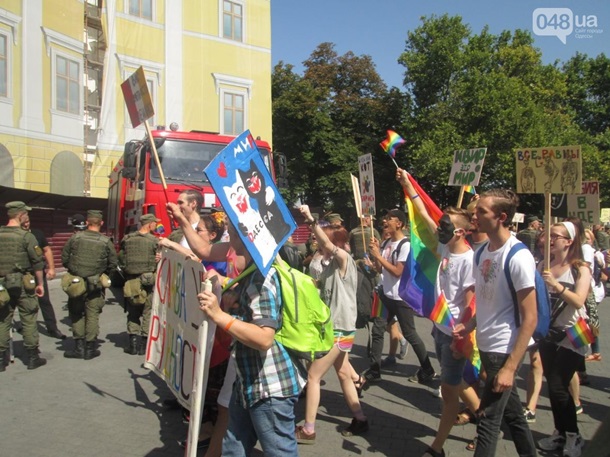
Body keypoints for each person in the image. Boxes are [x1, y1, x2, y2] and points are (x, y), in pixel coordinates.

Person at [196, 220, 306, 456]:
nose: (228, 236)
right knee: (233, 449)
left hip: (269, 387)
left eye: (232, 231)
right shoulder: (251, 274)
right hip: (247, 380)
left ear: (242, 238)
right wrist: (229, 305)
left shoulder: (261, 278)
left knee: (279, 452)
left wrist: (218, 315)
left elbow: (264, 337)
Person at [453, 189, 537, 457]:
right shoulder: (482, 252)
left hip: (505, 348)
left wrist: (511, 367)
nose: (474, 215)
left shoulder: (518, 256)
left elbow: (530, 317)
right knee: (514, 416)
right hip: (487, 346)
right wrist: (470, 325)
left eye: (481, 212)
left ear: (501, 217)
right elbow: (488, 301)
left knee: (488, 420)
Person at [397, 169, 475, 457]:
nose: (439, 226)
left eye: (446, 225)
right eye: (441, 223)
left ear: (461, 231)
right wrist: (408, 184)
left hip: (455, 334)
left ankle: (437, 447)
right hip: (440, 330)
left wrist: (459, 338)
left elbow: (470, 305)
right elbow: (424, 214)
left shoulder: (468, 260)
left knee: (449, 389)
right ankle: (484, 418)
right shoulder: (443, 247)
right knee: (457, 384)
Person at [295, 205, 368, 443]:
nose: (318, 244)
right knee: (345, 375)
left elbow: (326, 245)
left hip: (339, 329)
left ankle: (308, 429)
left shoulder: (345, 260)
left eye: (323, 239)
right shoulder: (328, 267)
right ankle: (360, 419)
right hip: (336, 329)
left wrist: (309, 220)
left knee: (313, 376)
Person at [362, 208, 436, 386]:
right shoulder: (386, 242)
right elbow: (380, 270)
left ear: (400, 223)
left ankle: (428, 369)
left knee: (410, 333)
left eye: (390, 218)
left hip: (400, 297)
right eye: (386, 217)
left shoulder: (406, 245)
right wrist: (374, 260)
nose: (386, 221)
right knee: (378, 331)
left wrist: (379, 256)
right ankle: (375, 369)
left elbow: (397, 272)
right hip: (385, 294)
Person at [537, 222, 590, 457]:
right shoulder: (542, 265)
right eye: (546, 234)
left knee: (559, 385)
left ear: (568, 241)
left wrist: (555, 285)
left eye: (554, 235)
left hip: (572, 334)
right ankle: (560, 432)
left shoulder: (580, 268)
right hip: (549, 333)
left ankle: (573, 435)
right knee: (553, 385)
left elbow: (579, 301)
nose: (548, 239)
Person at [61, 210, 118, 360]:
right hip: (96, 283)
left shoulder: (75, 238)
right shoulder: (106, 242)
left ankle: (78, 348)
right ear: (102, 223)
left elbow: (65, 259)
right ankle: (90, 348)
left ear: (87, 222)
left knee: (76, 313)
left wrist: (75, 271)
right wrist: (103, 276)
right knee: (92, 314)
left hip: (76, 283)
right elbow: (113, 264)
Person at [0, 201, 47, 371]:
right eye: (26, 214)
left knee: (2, 319)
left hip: (2, 285)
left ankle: (0, 360)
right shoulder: (27, 236)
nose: (28, 217)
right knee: (28, 318)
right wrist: (40, 284)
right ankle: (32, 358)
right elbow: (37, 262)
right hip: (22, 283)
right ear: (20, 215)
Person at [118, 214, 161, 355]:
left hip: (131, 281)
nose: (156, 226)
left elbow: (121, 260)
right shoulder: (154, 241)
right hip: (148, 281)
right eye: (155, 223)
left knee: (132, 313)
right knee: (148, 312)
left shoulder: (127, 239)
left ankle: (133, 345)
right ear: (149, 224)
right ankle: (144, 346)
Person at [20, 214, 66, 340]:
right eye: (23, 223)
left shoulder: (37, 234)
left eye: (28, 222)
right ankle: (24, 326)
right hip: (21, 274)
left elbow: (47, 250)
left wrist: (52, 268)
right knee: (21, 302)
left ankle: (53, 328)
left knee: (44, 301)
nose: (26, 224)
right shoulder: (16, 237)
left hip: (37, 273)